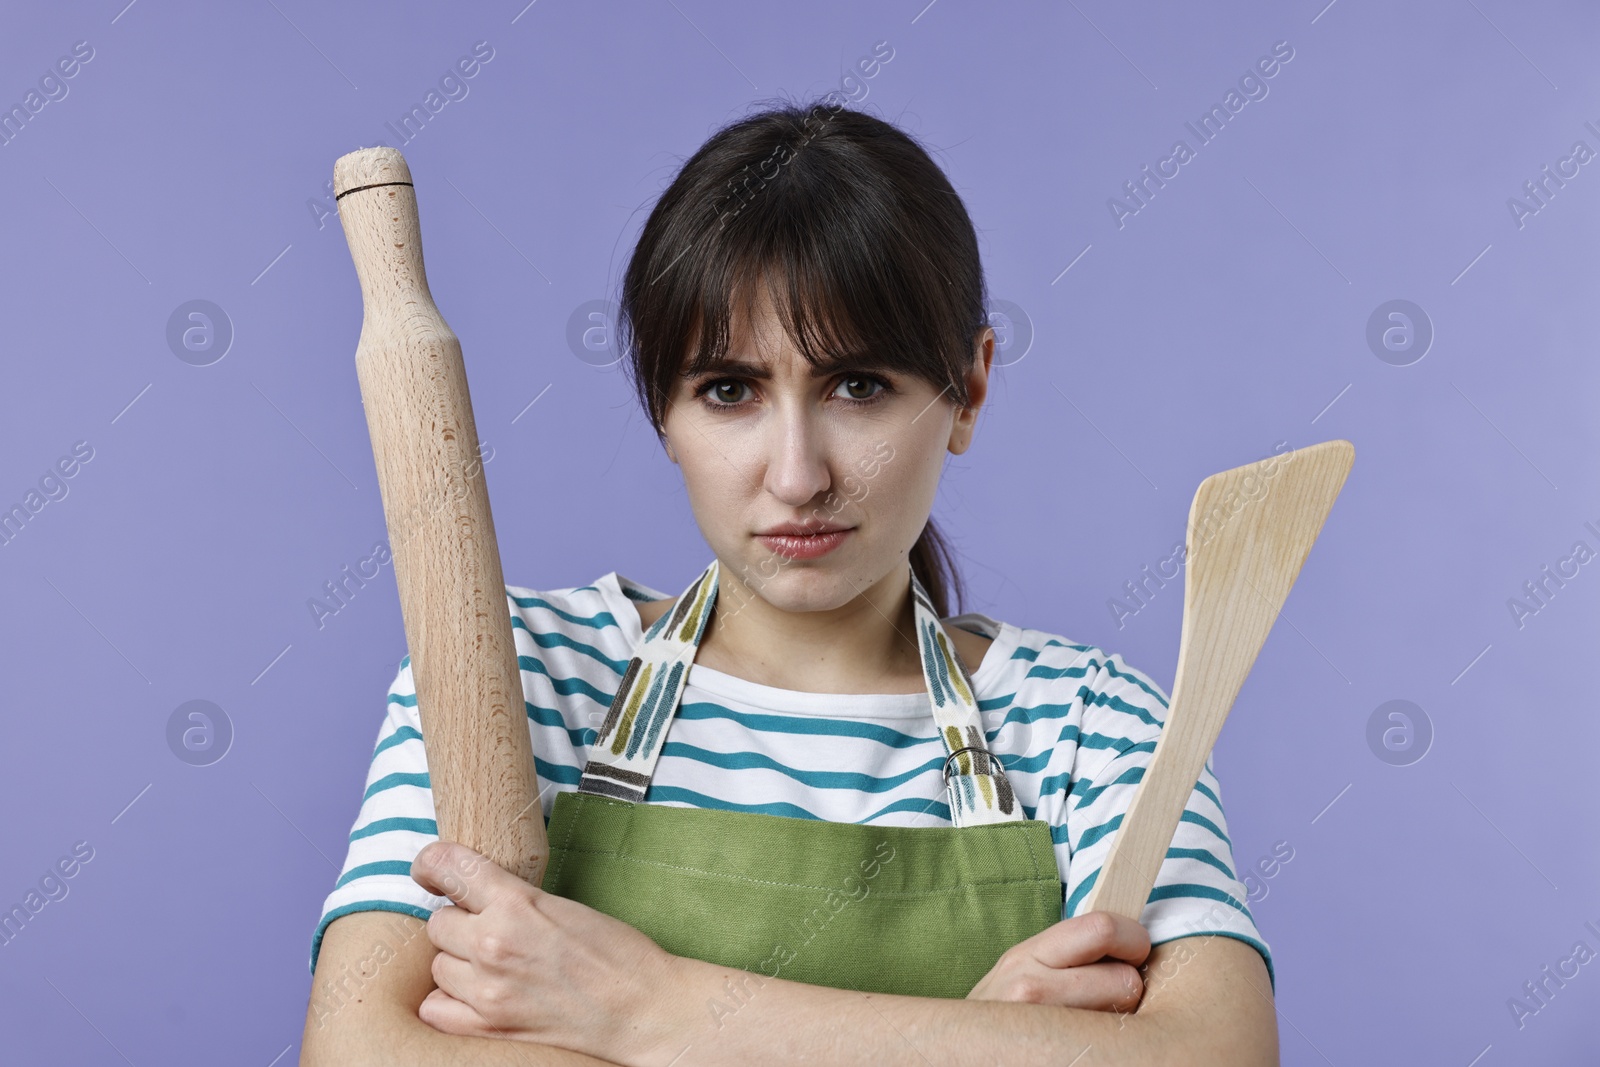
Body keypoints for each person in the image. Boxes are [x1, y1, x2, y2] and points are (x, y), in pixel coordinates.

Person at [299, 99, 1278, 1066]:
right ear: (661, 410)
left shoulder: (1090, 726)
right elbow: (355, 1049)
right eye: (729, 390)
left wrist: (653, 1010)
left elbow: (1217, 1053)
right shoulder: (509, 677)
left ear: (968, 389)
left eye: (857, 385)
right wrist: (957, 1040)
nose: (797, 474)